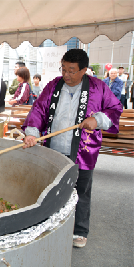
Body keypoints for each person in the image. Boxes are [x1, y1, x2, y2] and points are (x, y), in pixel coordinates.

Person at [22, 49, 122, 248]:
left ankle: (79, 230)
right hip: (54, 148)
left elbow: (115, 108)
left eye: (72, 71)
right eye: (64, 69)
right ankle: (52, 225)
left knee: (82, 192)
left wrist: (98, 119)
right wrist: (32, 132)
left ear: (84, 70)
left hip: (83, 150)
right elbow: (39, 110)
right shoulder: (53, 85)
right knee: (51, 189)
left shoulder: (98, 87)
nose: (66, 75)